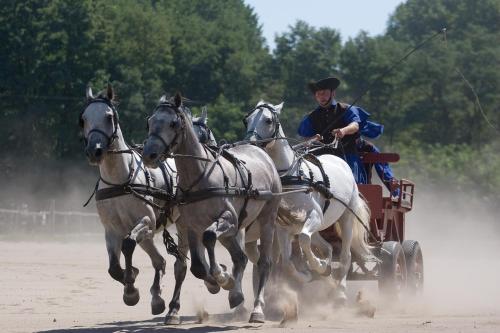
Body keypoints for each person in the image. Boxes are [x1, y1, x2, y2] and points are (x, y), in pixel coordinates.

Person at [298, 76, 367, 183]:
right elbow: (305, 139)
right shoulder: (311, 116)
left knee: (353, 182)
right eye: (318, 94)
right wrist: (312, 139)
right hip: (321, 157)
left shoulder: (345, 109)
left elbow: (355, 125)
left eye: (324, 93)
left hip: (346, 155)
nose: (321, 97)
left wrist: (343, 131)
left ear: (333, 93)